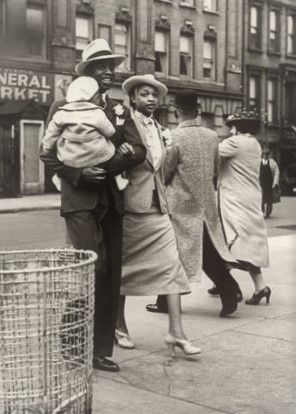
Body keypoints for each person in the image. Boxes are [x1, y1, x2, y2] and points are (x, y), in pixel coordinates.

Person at [40, 39, 146, 372]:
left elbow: (138, 150)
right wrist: (80, 173)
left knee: (111, 272)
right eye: (100, 66)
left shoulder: (119, 109)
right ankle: (73, 347)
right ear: (87, 71)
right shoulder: (62, 106)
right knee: (86, 270)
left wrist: (110, 165)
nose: (108, 72)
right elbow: (50, 155)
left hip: (112, 201)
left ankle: (99, 350)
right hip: (79, 200)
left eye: (111, 66)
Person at [115, 75, 201, 357]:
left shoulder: (162, 129)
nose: (150, 99)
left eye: (154, 94)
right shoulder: (122, 123)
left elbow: (161, 169)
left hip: (159, 207)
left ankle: (176, 333)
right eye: (144, 94)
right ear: (133, 98)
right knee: (122, 270)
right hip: (131, 206)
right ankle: (119, 326)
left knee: (171, 266)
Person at [146, 91, 242, 318]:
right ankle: (229, 291)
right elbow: (217, 171)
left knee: (173, 254)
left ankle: (168, 302)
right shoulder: (212, 136)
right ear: (197, 111)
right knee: (205, 251)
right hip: (207, 203)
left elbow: (165, 172)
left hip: (180, 205)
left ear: (176, 112)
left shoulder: (173, 137)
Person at [218, 109, 271, 305]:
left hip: (234, 199)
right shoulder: (254, 144)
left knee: (230, 239)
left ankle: (226, 281)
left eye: (232, 126)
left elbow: (209, 152)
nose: (230, 130)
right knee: (246, 241)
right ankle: (259, 287)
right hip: (251, 197)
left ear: (237, 127)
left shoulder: (234, 143)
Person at [42, 76, 130, 191]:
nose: (99, 100)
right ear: (90, 98)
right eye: (98, 97)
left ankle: (58, 178)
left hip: (71, 158)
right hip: (98, 157)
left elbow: (51, 134)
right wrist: (120, 144)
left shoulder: (61, 112)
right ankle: (118, 178)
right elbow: (110, 132)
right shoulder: (97, 113)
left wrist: (47, 146)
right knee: (111, 152)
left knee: (62, 155)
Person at [260, 147, 280, 218]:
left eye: (267, 154)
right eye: (264, 154)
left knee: (269, 199)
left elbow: (276, 172)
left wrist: (275, 182)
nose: (265, 156)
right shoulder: (258, 162)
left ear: (269, 155)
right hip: (261, 184)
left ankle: (267, 213)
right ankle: (261, 212)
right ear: (262, 154)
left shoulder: (272, 163)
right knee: (261, 199)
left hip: (269, 184)